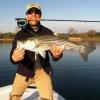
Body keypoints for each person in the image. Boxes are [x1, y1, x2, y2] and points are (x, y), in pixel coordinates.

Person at [10, 3, 64, 100]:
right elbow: (12, 57)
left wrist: (57, 55)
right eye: (30, 12)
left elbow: (55, 56)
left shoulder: (48, 32)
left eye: (36, 12)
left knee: (48, 98)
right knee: (14, 97)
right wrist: (14, 58)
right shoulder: (20, 34)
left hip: (43, 71)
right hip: (24, 70)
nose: (33, 14)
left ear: (40, 15)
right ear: (26, 16)